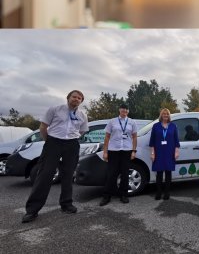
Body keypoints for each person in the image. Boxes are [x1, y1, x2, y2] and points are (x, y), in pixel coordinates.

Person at [22, 90, 87, 223]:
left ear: (81, 101)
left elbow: (81, 131)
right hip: (53, 142)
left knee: (68, 174)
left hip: (72, 144)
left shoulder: (82, 115)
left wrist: (71, 140)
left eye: (79, 98)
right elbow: (43, 127)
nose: (76, 99)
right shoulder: (55, 109)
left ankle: (66, 204)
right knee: (45, 174)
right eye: (74, 97)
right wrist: (49, 141)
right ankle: (32, 210)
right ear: (68, 98)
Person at [99, 105, 137, 206]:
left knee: (125, 174)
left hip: (126, 150)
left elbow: (134, 137)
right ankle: (106, 196)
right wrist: (105, 152)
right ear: (119, 110)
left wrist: (134, 151)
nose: (124, 110)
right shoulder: (112, 121)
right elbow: (107, 137)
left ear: (128, 111)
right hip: (113, 150)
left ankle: (124, 195)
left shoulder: (132, 122)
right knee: (111, 174)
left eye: (126, 109)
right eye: (122, 109)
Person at [149, 108, 179, 200]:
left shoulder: (173, 126)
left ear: (169, 116)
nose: (165, 115)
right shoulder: (156, 126)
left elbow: (176, 141)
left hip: (169, 152)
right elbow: (152, 141)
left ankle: (167, 192)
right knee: (159, 173)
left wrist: (176, 152)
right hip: (159, 152)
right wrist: (152, 153)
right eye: (164, 114)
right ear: (161, 115)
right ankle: (158, 192)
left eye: (167, 114)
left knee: (168, 173)